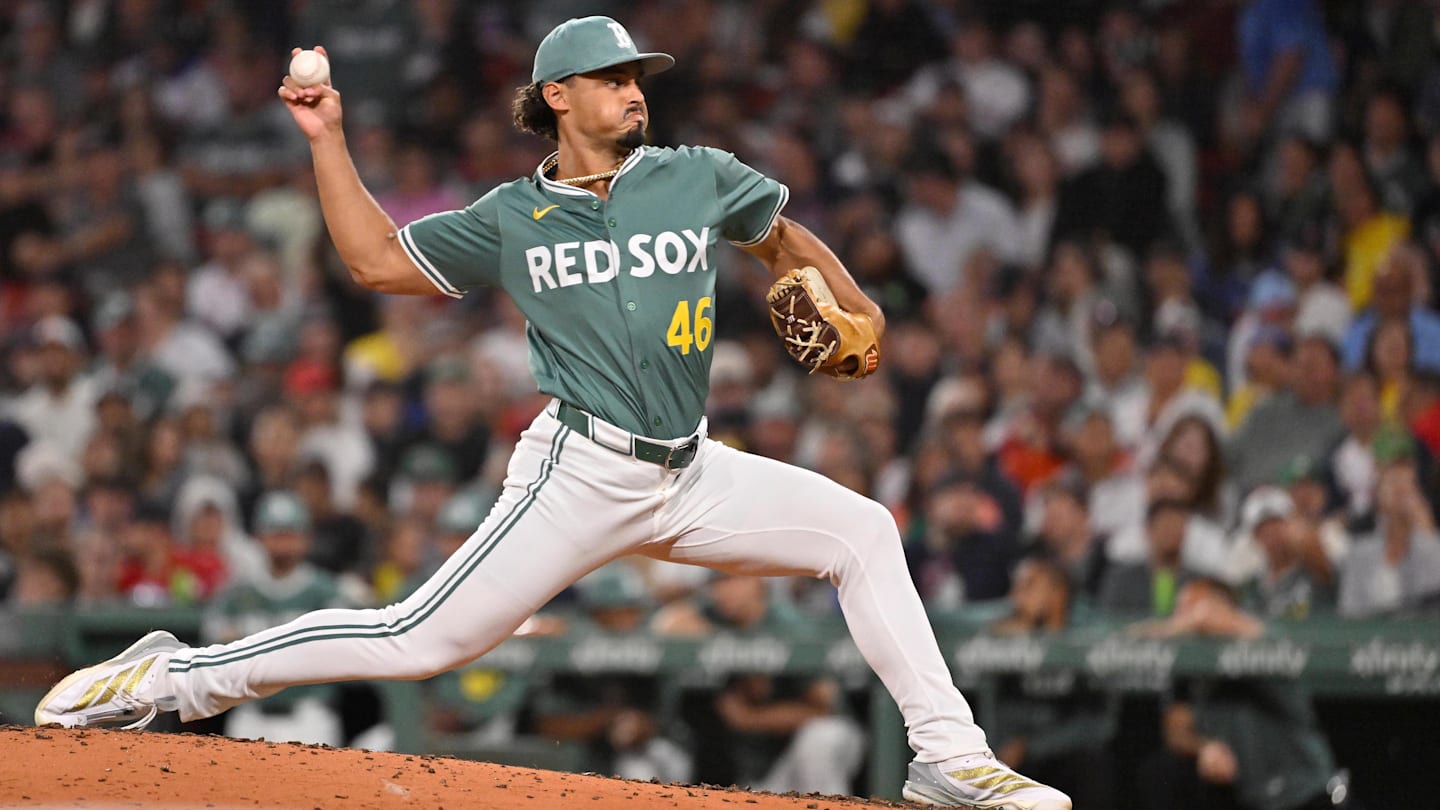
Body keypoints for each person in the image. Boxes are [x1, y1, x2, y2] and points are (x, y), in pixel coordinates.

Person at [34, 17, 1069, 809]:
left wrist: (857, 305)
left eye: (638, 78)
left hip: (693, 471)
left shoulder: (697, 177)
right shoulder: (511, 217)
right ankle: (171, 678)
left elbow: (786, 243)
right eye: (614, 78)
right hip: (578, 473)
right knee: (418, 640)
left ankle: (950, 761)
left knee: (863, 530)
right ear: (558, 97)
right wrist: (328, 137)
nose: (634, 91)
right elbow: (372, 262)